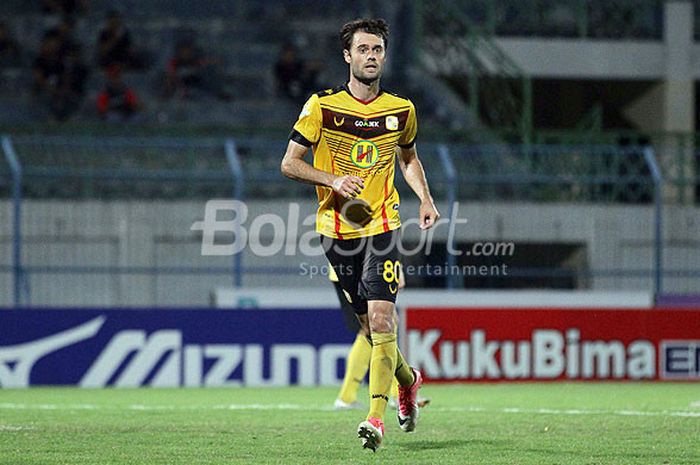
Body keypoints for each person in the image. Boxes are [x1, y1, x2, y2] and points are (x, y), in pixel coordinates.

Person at [281, 18, 439, 451]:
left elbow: (408, 158)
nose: (371, 56)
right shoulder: (321, 107)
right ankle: (408, 380)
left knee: (384, 318)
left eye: (378, 50)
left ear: (384, 56)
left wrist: (424, 198)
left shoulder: (401, 109)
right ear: (347, 56)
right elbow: (290, 163)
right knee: (370, 330)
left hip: (384, 226)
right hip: (336, 229)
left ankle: (376, 418)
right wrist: (332, 180)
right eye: (364, 49)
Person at [332, 263, 430, 412]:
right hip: (363, 266)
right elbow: (381, 241)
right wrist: (397, 266)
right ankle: (395, 394)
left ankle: (350, 396)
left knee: (379, 325)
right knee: (379, 325)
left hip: (349, 266)